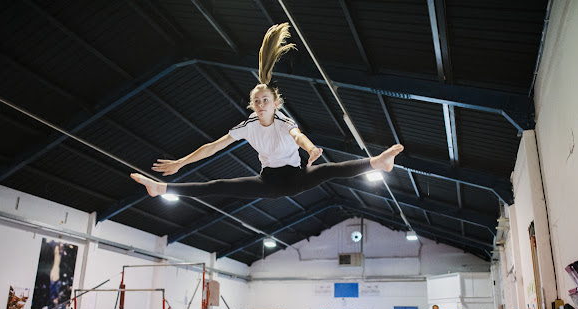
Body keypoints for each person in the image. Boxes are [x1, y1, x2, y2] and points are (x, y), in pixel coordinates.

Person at [131, 23, 404, 200]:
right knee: (219, 186)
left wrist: (311, 149)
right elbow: (213, 147)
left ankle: (377, 162)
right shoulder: (248, 126)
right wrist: (180, 162)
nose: (261, 104)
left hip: (296, 177)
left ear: (276, 104)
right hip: (268, 182)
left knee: (330, 170)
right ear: (253, 105)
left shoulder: (283, 121)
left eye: (265, 100)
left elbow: (298, 136)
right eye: (257, 101)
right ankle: (161, 188)